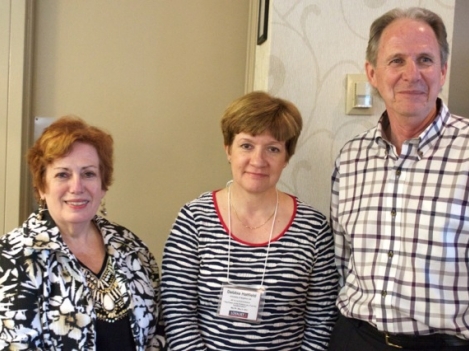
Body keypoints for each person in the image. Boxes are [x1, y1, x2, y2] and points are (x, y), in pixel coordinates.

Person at [329, 7, 469, 351]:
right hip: (355, 339)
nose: (411, 74)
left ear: (443, 71)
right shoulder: (351, 157)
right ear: (372, 73)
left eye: (424, 59)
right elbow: (342, 260)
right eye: (396, 61)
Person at [161, 91, 338, 351]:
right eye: (246, 145)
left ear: (286, 158)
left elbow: (321, 321)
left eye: (273, 149)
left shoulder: (313, 228)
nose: (258, 160)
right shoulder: (194, 219)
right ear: (228, 149)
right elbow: (177, 312)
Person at [0, 116, 165, 350]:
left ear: (103, 185)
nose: (77, 187)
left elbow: (158, 331)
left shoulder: (131, 247)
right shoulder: (13, 258)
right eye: (62, 174)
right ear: (41, 187)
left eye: (88, 174)